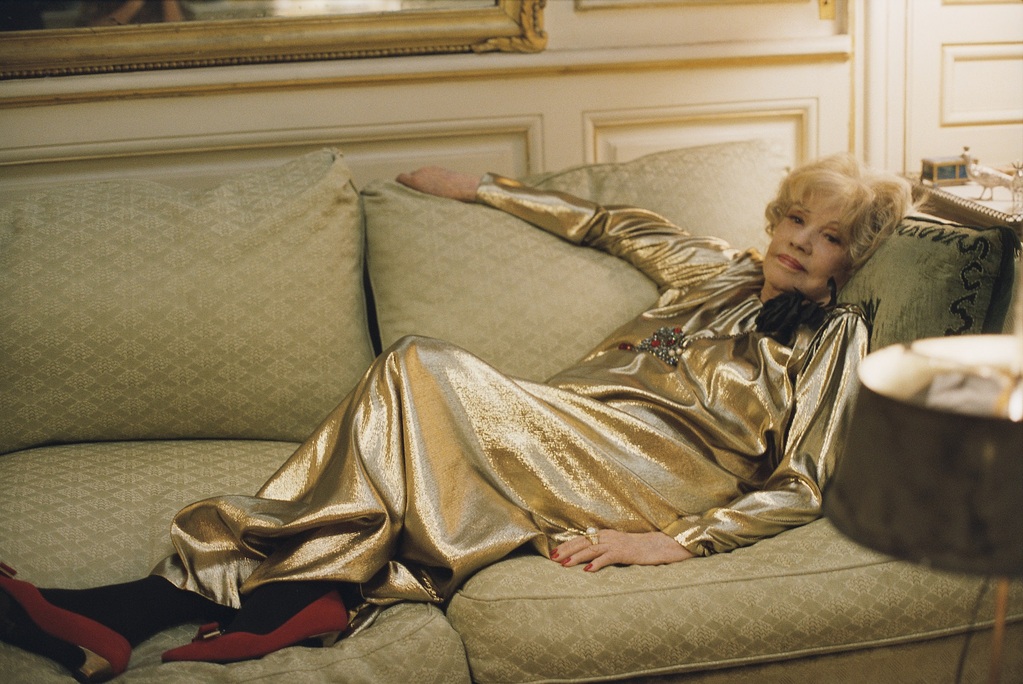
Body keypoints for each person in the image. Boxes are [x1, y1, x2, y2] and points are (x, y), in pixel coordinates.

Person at [0, 153, 914, 682]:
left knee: (417, 369)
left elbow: (804, 480)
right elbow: (604, 223)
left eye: (830, 236)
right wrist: (480, 187)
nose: (802, 242)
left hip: (654, 471)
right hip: (563, 426)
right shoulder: (710, 266)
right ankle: (237, 603)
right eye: (796, 220)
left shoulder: (834, 335)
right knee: (409, 416)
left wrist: (677, 542)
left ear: (852, 258)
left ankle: (148, 606)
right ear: (775, 218)